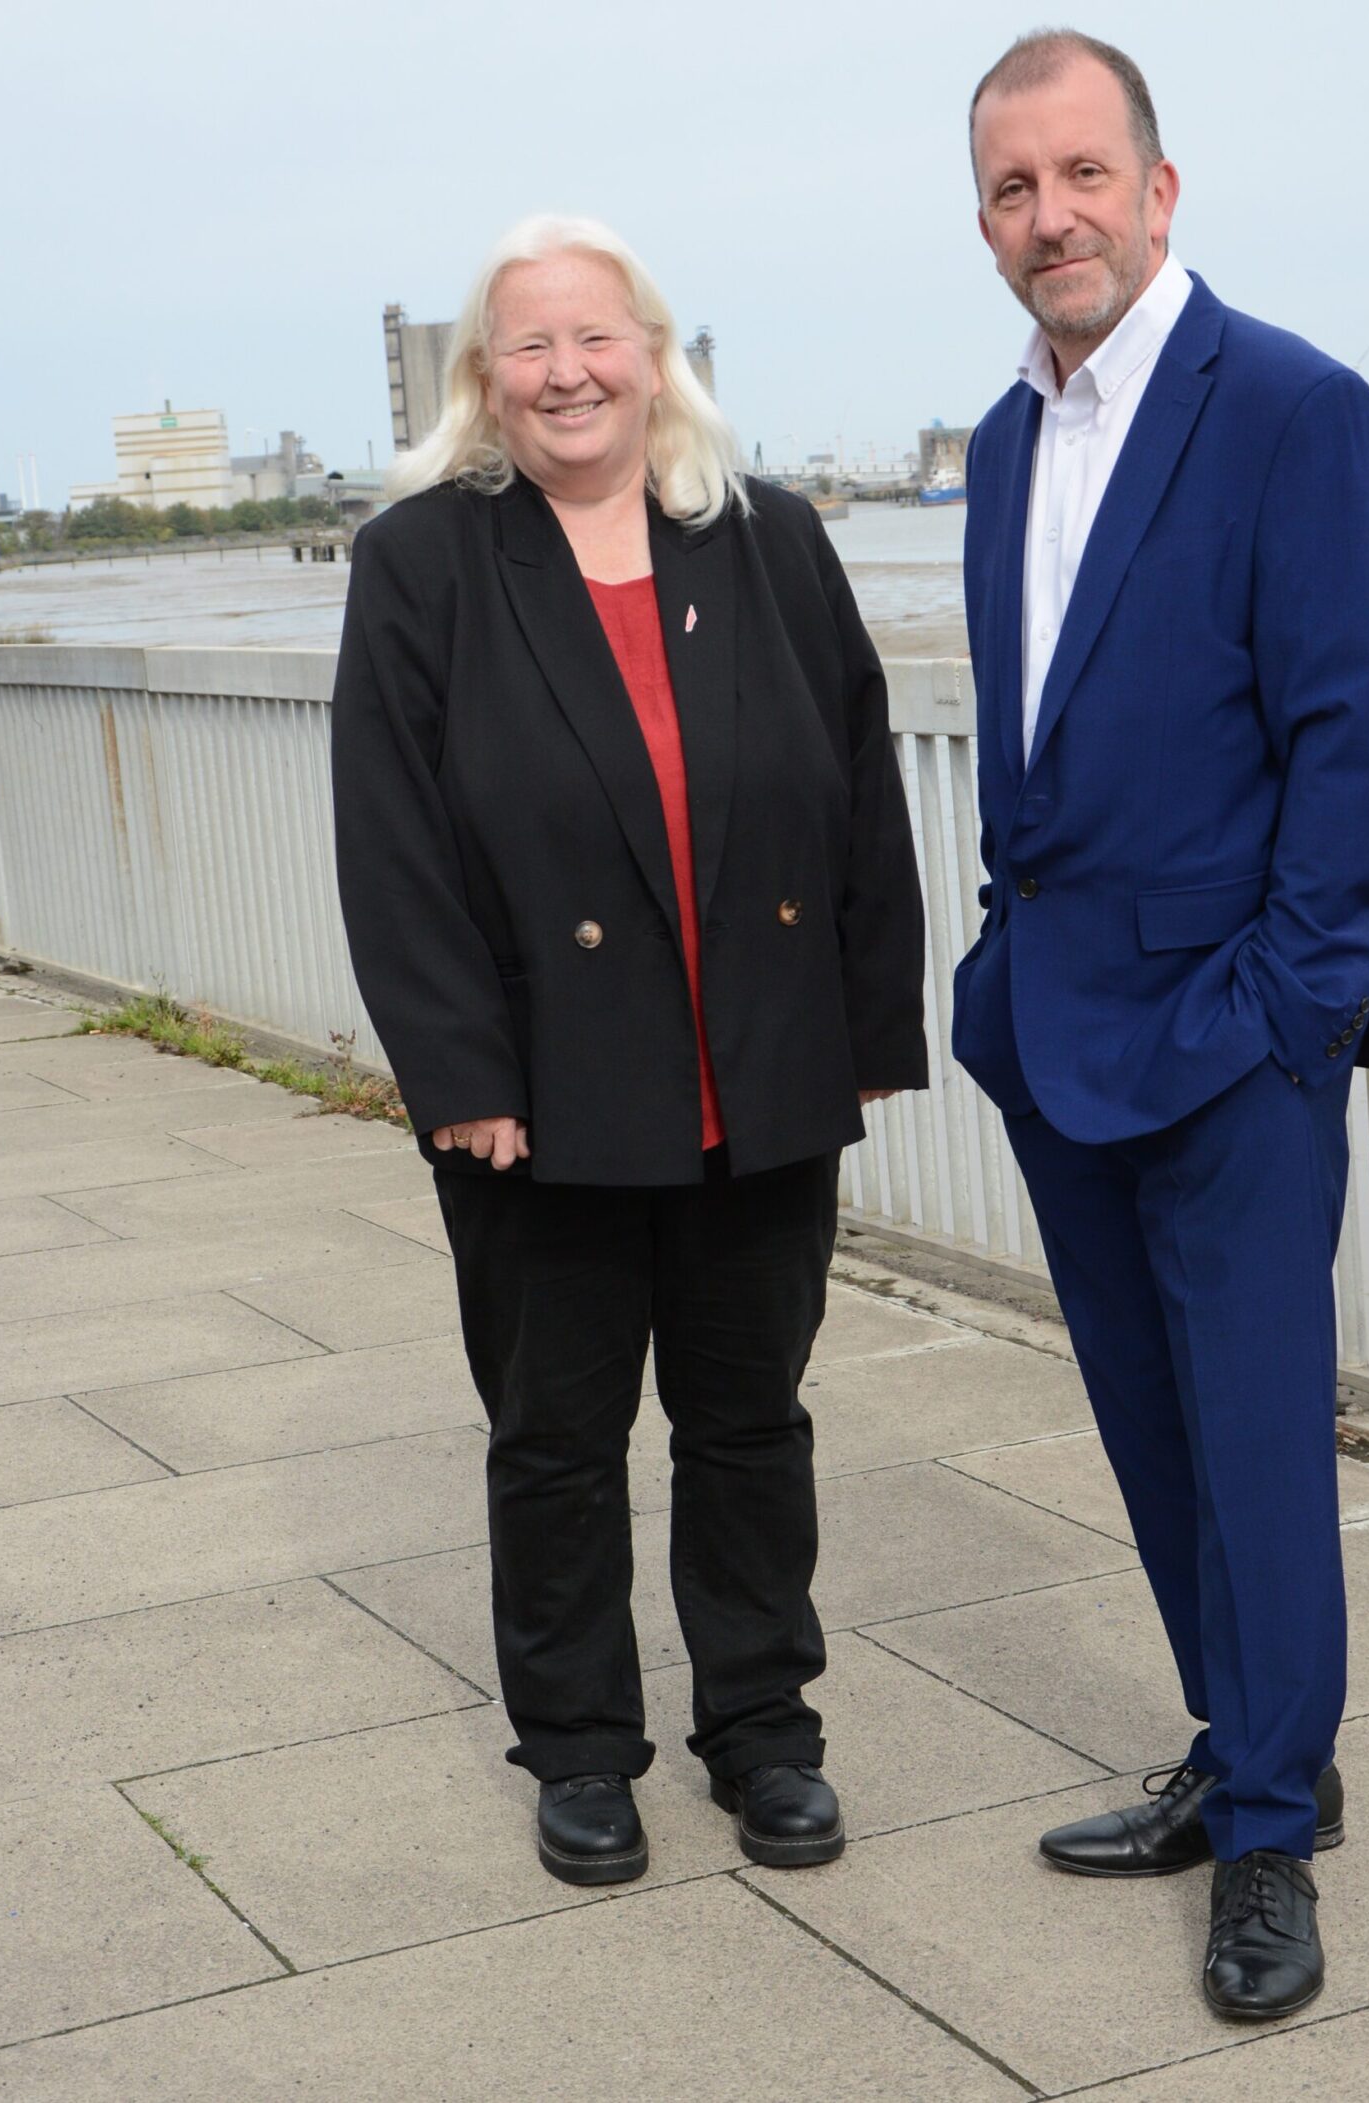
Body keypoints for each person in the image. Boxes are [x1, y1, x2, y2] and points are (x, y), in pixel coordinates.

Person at [331, 216, 927, 1887]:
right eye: (530, 345)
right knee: (557, 1440)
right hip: (544, 1095)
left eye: (597, 336)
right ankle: (582, 1748)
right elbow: (391, 843)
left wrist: (869, 1025)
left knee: (751, 1424)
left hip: (761, 1072)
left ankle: (765, 1731)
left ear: (656, 358)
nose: (568, 372)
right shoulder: (425, 562)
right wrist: (461, 1079)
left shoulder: (769, 538)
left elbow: (859, 781)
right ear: (484, 379)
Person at [954, 33, 1369, 2020]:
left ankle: (1270, 1841)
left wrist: (1287, 1017)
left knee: (1255, 1443)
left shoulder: (1292, 408)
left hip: (1234, 1043)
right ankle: (1248, 1743)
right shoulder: (1001, 442)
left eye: (1081, 174)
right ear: (984, 222)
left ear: (1157, 189)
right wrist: (994, 974)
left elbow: (1355, 753)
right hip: (1060, 1037)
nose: (1048, 215)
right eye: (1011, 188)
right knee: (1153, 1439)